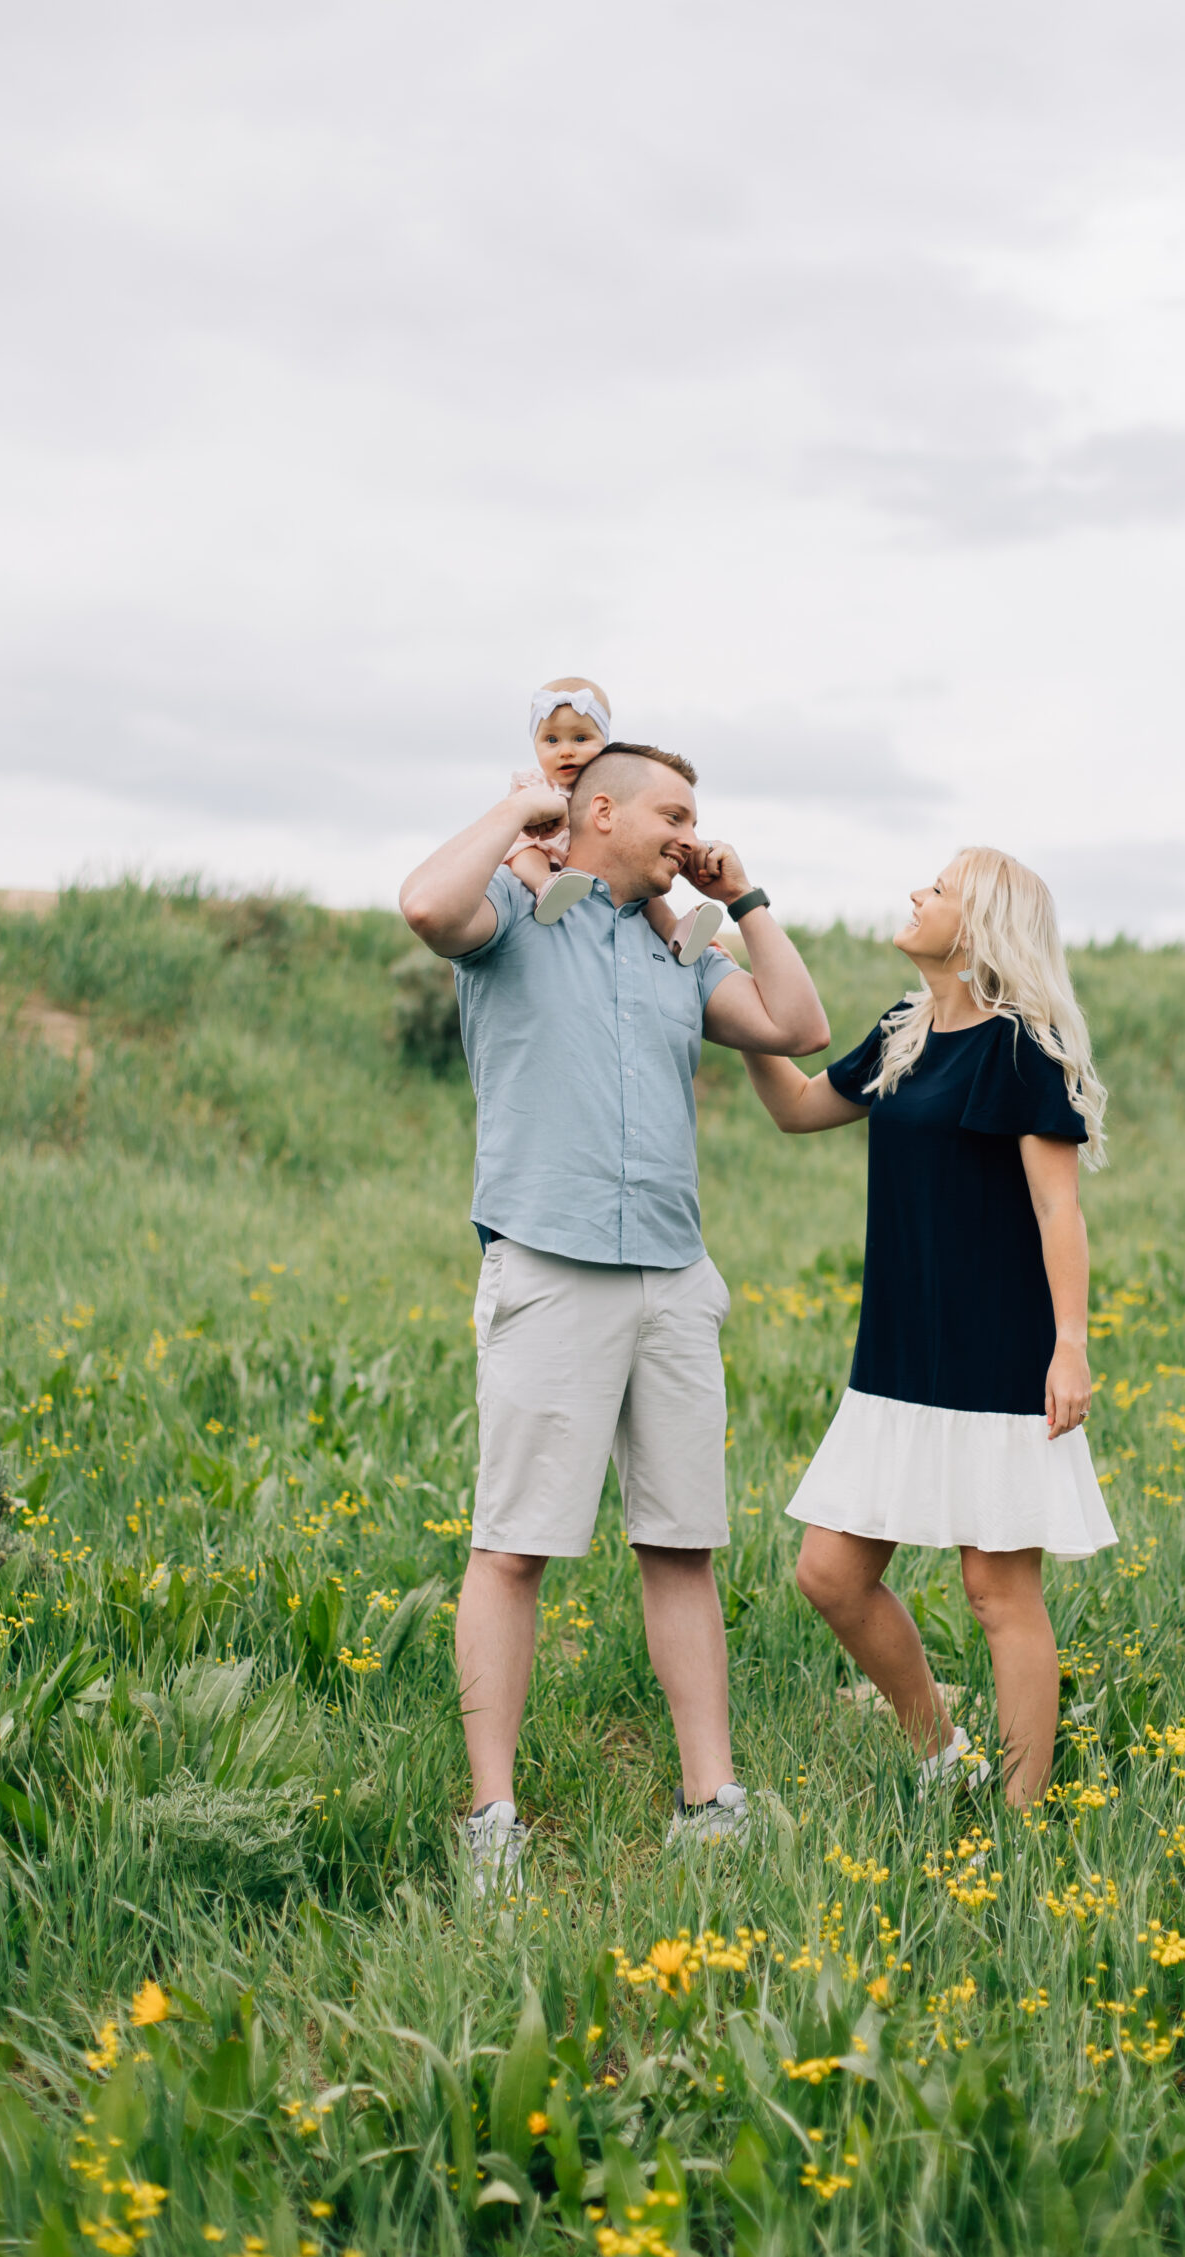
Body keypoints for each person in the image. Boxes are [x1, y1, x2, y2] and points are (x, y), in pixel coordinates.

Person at [399, 740, 830, 1892]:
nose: (690, 828)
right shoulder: (512, 915)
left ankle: (711, 1796)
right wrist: (516, 809)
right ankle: (491, 1816)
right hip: (552, 1266)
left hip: (673, 1278)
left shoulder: (679, 949)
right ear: (598, 811)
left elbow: (798, 1027)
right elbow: (421, 903)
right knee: (515, 1546)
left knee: (680, 1540)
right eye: (674, 810)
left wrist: (741, 897)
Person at [741, 847, 1116, 1808]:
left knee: (998, 1593)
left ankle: (1025, 1821)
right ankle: (946, 1753)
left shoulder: (1020, 1046)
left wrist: (1069, 1344)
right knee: (829, 1575)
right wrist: (734, 997)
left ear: (980, 923)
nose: (917, 894)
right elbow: (794, 1106)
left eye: (939, 889)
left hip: (996, 1357)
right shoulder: (905, 1033)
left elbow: (1056, 1210)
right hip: (897, 1359)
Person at [503, 676, 725, 966]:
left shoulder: (612, 785)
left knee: (643, 884)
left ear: (604, 742)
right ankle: (545, 887)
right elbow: (517, 822)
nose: (566, 750)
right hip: (546, 851)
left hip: (592, 869)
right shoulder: (535, 784)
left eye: (580, 739)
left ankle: (676, 932)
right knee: (526, 851)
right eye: (551, 740)